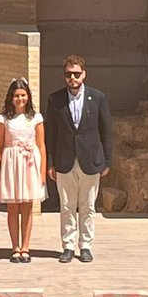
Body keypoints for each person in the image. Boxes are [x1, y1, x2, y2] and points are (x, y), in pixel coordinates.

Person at [46, 54, 113, 264]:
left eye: (76, 74)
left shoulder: (97, 97)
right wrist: (50, 163)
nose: (72, 78)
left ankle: (85, 246)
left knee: (88, 206)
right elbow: (50, 133)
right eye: (69, 74)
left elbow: (106, 131)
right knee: (66, 206)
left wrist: (107, 161)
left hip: (90, 160)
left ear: (84, 74)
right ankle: (68, 246)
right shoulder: (55, 99)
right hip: (64, 161)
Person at [0, 78, 46, 263]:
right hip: (11, 164)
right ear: (11, 97)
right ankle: (15, 247)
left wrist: (42, 172)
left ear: (28, 96)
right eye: (16, 95)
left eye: (23, 95)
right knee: (13, 208)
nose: (20, 99)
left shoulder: (36, 118)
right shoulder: (3, 119)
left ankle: (26, 247)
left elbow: (41, 146)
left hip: (29, 163)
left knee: (27, 207)